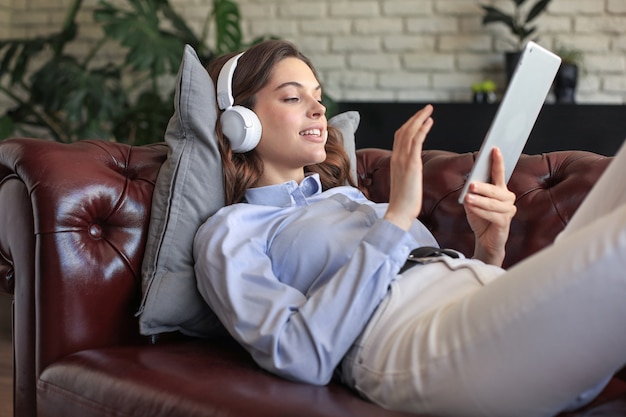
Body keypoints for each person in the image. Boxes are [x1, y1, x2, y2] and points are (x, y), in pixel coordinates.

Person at [193, 39, 626, 417]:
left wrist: (488, 248)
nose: (319, 108)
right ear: (240, 122)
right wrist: (397, 217)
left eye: (318, 96)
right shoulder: (232, 231)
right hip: (409, 343)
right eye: (292, 98)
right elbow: (300, 355)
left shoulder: (346, 197)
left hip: (486, 303)